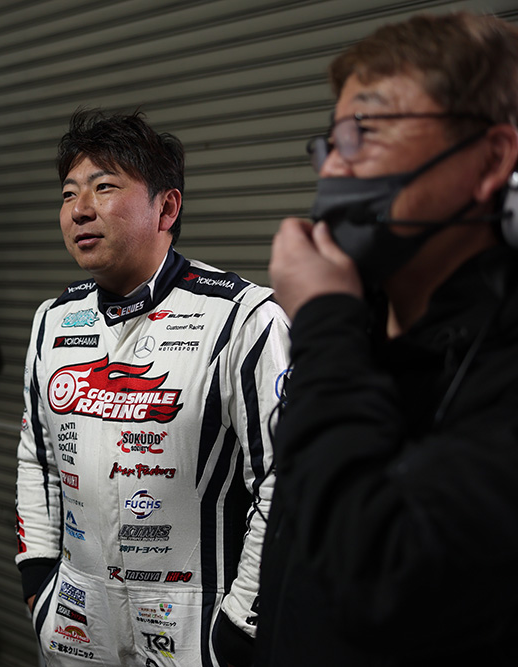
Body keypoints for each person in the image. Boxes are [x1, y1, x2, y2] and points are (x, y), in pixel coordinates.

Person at [256, 12, 518, 666]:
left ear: (491, 159)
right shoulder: (362, 323)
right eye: (332, 142)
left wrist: (323, 321)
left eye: (364, 134)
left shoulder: (495, 360)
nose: (334, 170)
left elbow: (382, 577)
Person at [15, 110, 290, 667]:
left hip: (196, 626)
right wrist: (39, 578)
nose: (80, 209)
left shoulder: (243, 319)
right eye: (68, 193)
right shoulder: (53, 320)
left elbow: (286, 481)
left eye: (104, 187)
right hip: (75, 618)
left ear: (166, 208)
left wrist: (242, 624)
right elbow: (37, 461)